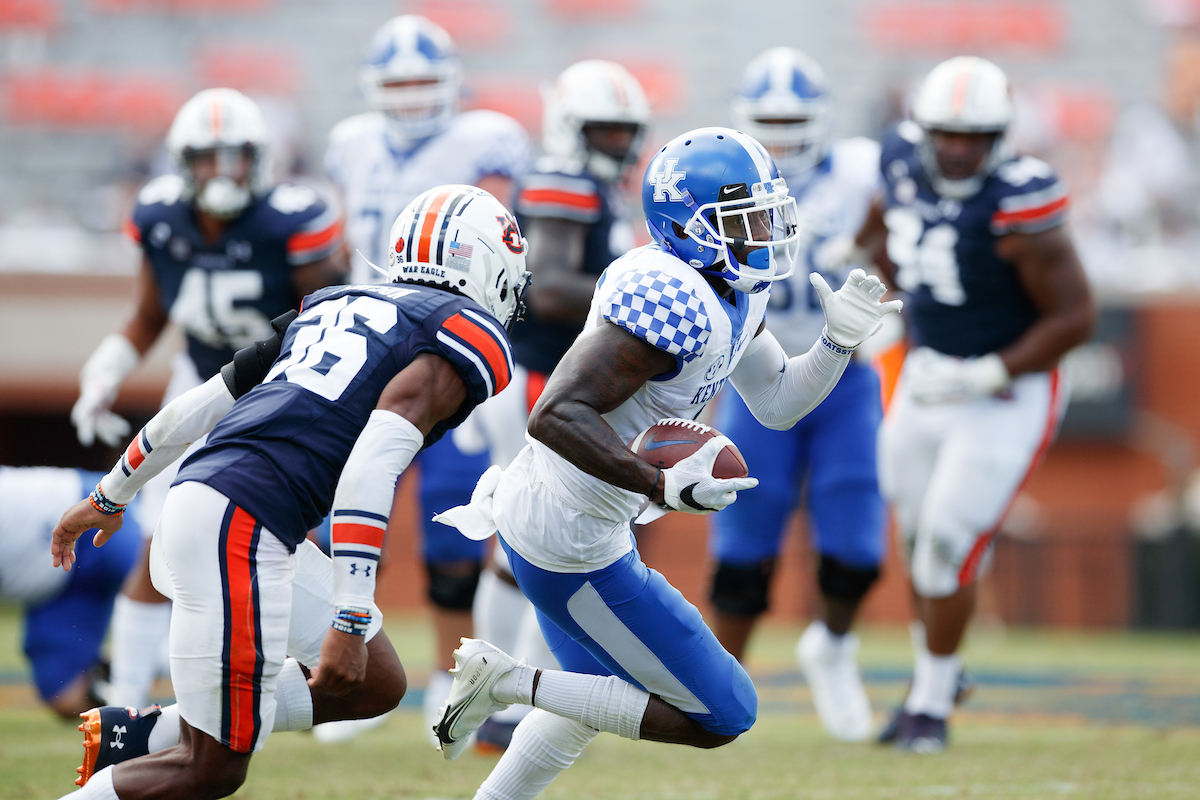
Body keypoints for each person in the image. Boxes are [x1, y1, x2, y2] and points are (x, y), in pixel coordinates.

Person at [432, 127, 901, 800]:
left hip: (580, 521)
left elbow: (776, 403)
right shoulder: (669, 297)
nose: (765, 231)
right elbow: (556, 413)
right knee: (723, 713)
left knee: (588, 705)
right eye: (745, 219)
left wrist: (836, 342)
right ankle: (505, 680)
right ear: (688, 227)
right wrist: (660, 484)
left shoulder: (734, 288)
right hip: (568, 537)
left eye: (769, 213)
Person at [50, 185, 530, 800]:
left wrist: (112, 493)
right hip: (240, 523)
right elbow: (368, 469)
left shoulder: (335, 302)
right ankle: (162, 748)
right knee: (210, 769)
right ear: (488, 264)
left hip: (218, 505)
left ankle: (147, 736)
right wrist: (352, 613)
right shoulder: (464, 336)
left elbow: (201, 403)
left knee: (376, 682)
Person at [69, 87, 346, 710]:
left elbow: (332, 313)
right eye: (206, 158)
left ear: (260, 159)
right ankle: (127, 696)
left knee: (301, 537)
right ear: (181, 162)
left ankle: (321, 682)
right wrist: (103, 371)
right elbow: (148, 313)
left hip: (285, 391)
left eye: (235, 157)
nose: (222, 172)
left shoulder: (292, 219)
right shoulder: (161, 217)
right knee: (152, 541)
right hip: (199, 386)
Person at [857, 56, 1096, 752]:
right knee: (912, 534)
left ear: (1001, 135)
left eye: (976, 135)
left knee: (946, 543)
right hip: (928, 374)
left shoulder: (1023, 199)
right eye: (947, 134)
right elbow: (881, 230)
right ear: (922, 129)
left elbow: (1076, 318)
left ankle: (929, 705)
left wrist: (991, 371)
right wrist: (879, 292)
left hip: (1008, 387)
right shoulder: (900, 162)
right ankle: (943, 669)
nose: (960, 148)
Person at [324, 15, 531, 735]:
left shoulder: (485, 138)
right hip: (370, 338)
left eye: (422, 82)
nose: (411, 98)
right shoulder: (349, 144)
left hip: (448, 338)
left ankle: (452, 681)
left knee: (453, 528)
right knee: (340, 514)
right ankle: (341, 672)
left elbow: (502, 229)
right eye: (398, 84)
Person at [465, 58, 651, 753]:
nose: (615, 142)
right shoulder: (562, 183)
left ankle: (498, 687)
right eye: (602, 129)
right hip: (540, 377)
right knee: (529, 537)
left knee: (527, 536)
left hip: (546, 378)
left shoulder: (588, 185)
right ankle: (500, 687)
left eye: (622, 130)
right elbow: (547, 289)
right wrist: (641, 290)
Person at [704, 47, 887, 742]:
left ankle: (834, 648)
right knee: (743, 550)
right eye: (769, 119)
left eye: (792, 119)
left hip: (846, 373)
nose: (780, 132)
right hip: (754, 368)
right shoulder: (722, 174)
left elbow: (906, 207)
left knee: (855, 546)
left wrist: (870, 246)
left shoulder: (862, 169)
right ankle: (716, 686)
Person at [0, 467, 140, 719]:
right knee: (65, 695)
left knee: (171, 596)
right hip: (54, 586)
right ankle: (128, 688)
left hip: (85, 516)